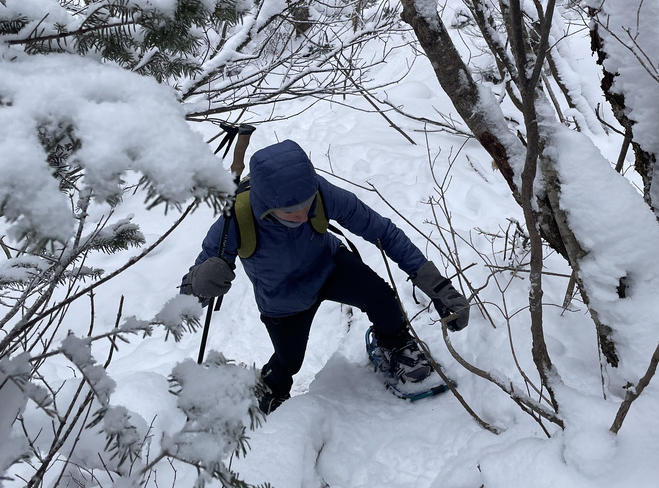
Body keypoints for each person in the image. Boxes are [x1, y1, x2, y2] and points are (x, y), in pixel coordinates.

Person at [181, 139, 470, 413]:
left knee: (380, 297)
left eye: (308, 205)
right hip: (281, 297)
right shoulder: (236, 220)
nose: (305, 215)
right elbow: (191, 288)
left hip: (329, 267)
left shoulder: (319, 193)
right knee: (288, 361)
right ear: (267, 206)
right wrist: (201, 284)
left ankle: (395, 345)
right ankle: (270, 389)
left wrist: (437, 286)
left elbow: (382, 231)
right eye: (292, 211)